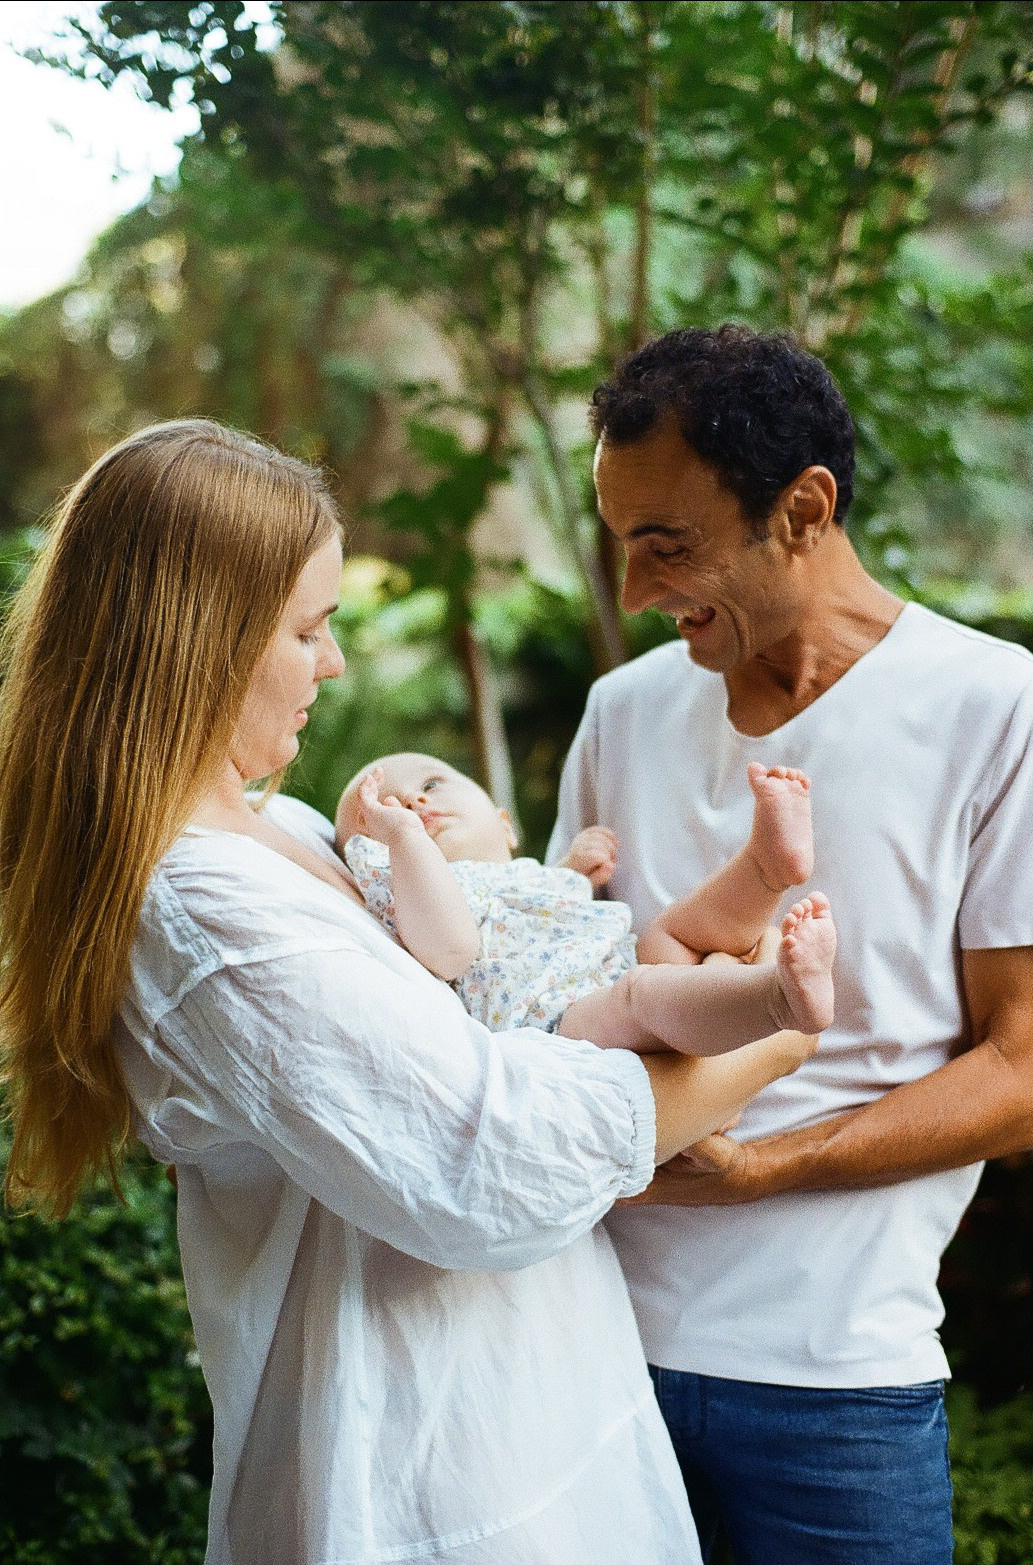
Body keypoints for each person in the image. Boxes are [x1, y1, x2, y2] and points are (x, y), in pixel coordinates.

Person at [0, 418, 817, 1565]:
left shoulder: (285, 826)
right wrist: (765, 1050)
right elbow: (482, 1160)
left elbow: (477, 983)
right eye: (305, 628)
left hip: (521, 1418)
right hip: (414, 1486)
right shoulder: (201, 909)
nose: (332, 662)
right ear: (198, 642)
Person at [549, 324, 1033, 1565]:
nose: (633, 591)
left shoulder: (993, 709)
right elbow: (552, 990)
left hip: (839, 1387)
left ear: (804, 508)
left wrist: (765, 1168)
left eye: (665, 545)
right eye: (620, 544)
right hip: (585, 1354)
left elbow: (1024, 1069)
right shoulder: (622, 712)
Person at [335, 752, 837, 1057]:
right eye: (386, 812)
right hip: (562, 1022)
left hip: (620, 960)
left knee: (675, 932)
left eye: (428, 785)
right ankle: (778, 997)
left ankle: (765, 869)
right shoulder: (421, 895)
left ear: (505, 825)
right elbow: (450, 949)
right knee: (643, 994)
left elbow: (531, 910)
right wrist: (404, 842)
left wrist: (570, 874)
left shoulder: (526, 879)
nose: (414, 807)